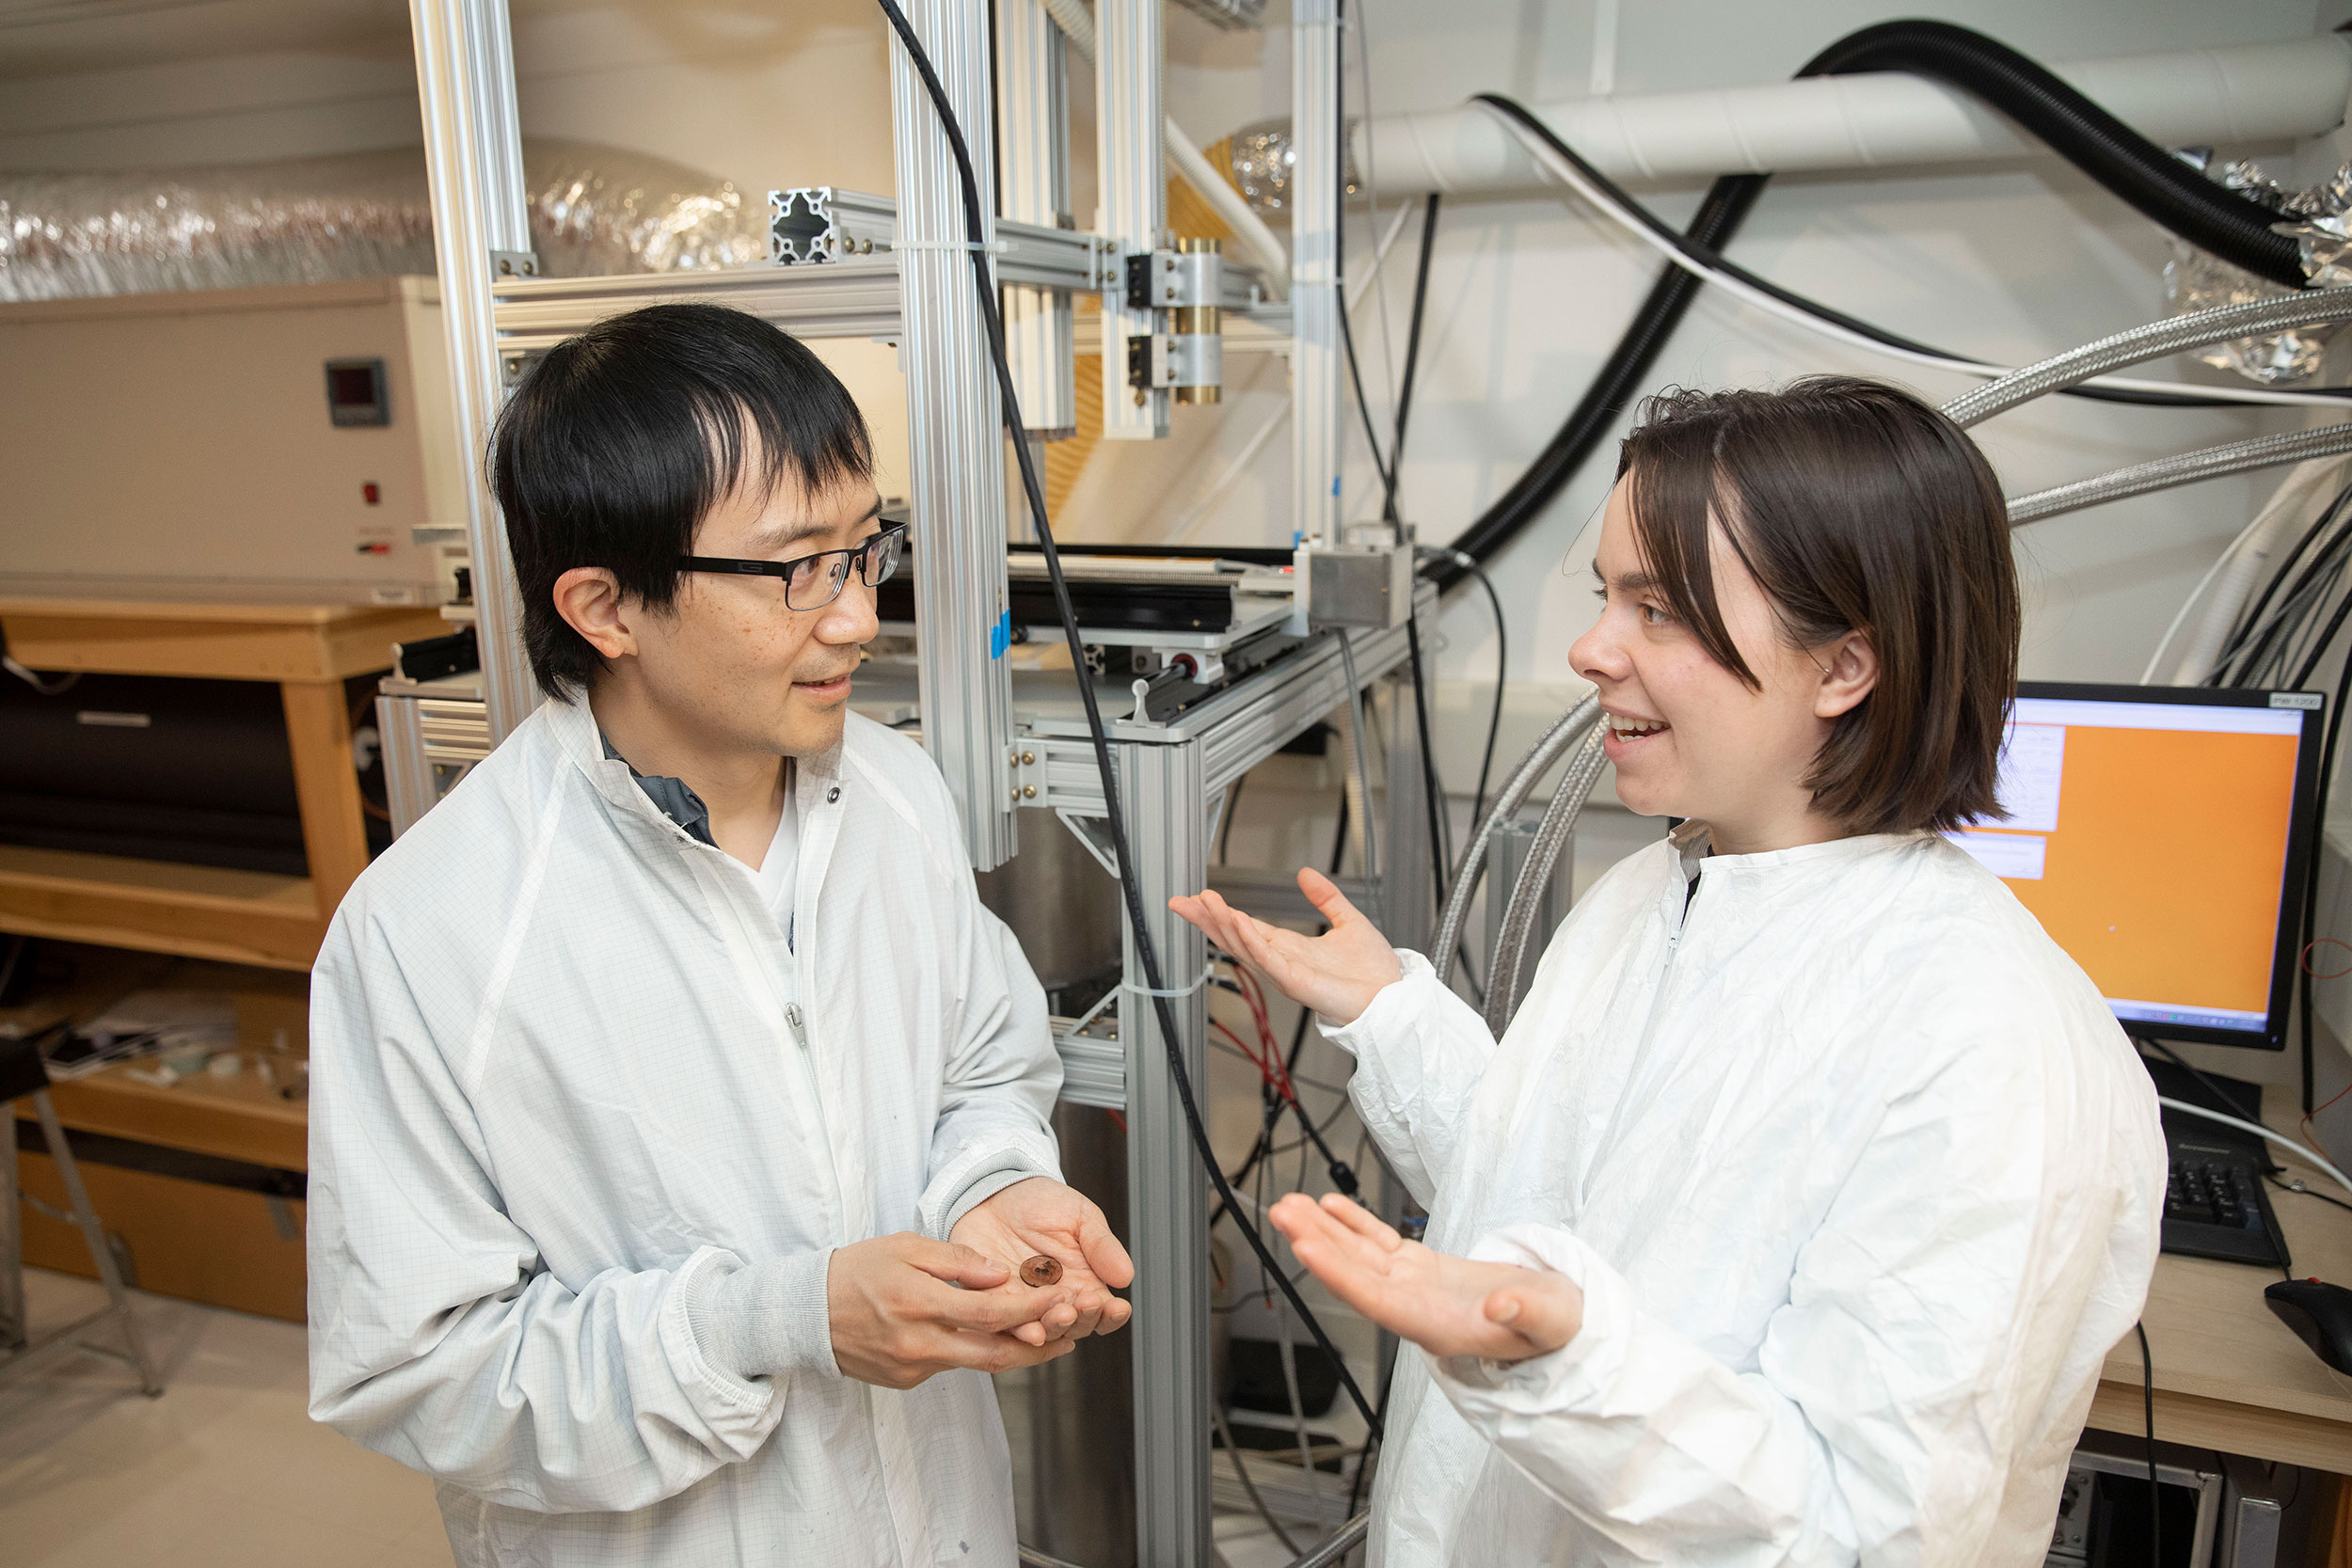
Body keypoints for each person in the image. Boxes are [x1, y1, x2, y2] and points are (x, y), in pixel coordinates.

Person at [1174, 377, 2166, 1566]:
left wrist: (1570, 1365)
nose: (1591, 650)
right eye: (1606, 597)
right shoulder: (1664, 886)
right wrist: (1389, 1012)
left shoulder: (1985, 1038)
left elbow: (1869, 1528)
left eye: (1658, 610)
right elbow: (1557, 1184)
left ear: (1844, 664)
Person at [308, 303, 1133, 1567]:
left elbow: (981, 1066)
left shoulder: (896, 794)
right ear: (605, 605)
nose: (858, 614)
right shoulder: (434, 934)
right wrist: (779, 1319)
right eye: (798, 568)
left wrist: (995, 1188)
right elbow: (423, 1372)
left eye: (867, 549)